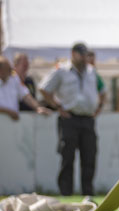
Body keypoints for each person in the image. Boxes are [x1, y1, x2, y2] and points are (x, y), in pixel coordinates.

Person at [39, 42, 101, 196]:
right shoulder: (61, 71)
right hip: (69, 119)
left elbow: (103, 90)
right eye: (82, 54)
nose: (84, 58)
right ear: (73, 54)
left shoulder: (92, 71)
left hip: (87, 119)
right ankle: (66, 193)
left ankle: (88, 193)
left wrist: (98, 108)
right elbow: (44, 89)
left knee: (89, 156)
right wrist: (58, 106)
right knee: (68, 157)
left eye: (86, 54)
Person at [0, 56, 49, 120]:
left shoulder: (14, 78)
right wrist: (7, 112)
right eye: (8, 69)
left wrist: (37, 108)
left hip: (13, 123)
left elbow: (25, 95)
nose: (11, 71)